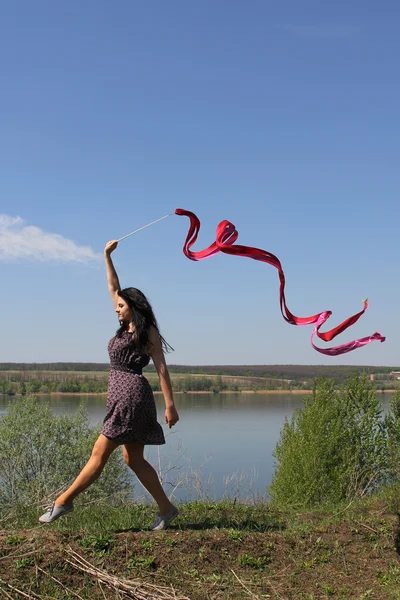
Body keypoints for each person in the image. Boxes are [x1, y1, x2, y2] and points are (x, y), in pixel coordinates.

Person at [39, 240, 179, 530]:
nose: (116, 308)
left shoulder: (146, 331)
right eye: (116, 306)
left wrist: (170, 404)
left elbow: (162, 368)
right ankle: (166, 509)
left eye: (121, 306)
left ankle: (64, 501)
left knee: (99, 455)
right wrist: (106, 256)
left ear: (133, 307)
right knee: (134, 459)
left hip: (131, 399)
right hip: (121, 397)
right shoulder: (123, 325)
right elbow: (113, 287)